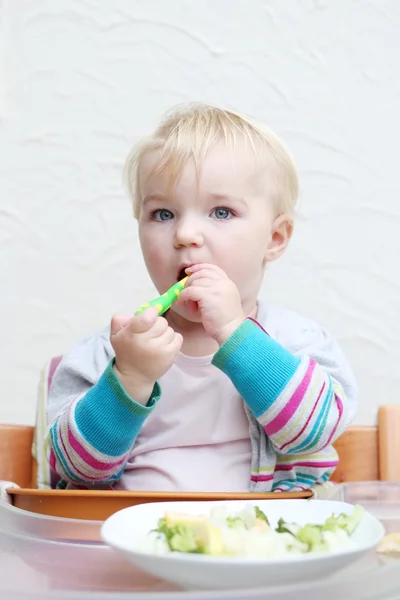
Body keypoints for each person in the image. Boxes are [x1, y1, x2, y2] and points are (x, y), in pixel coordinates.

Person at [46, 103, 357, 493]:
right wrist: (130, 378)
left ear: (275, 239)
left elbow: (316, 432)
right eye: (162, 214)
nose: (185, 234)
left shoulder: (299, 342)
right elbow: (75, 472)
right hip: (136, 544)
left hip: (263, 543)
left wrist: (234, 332)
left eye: (222, 212)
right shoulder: (108, 353)